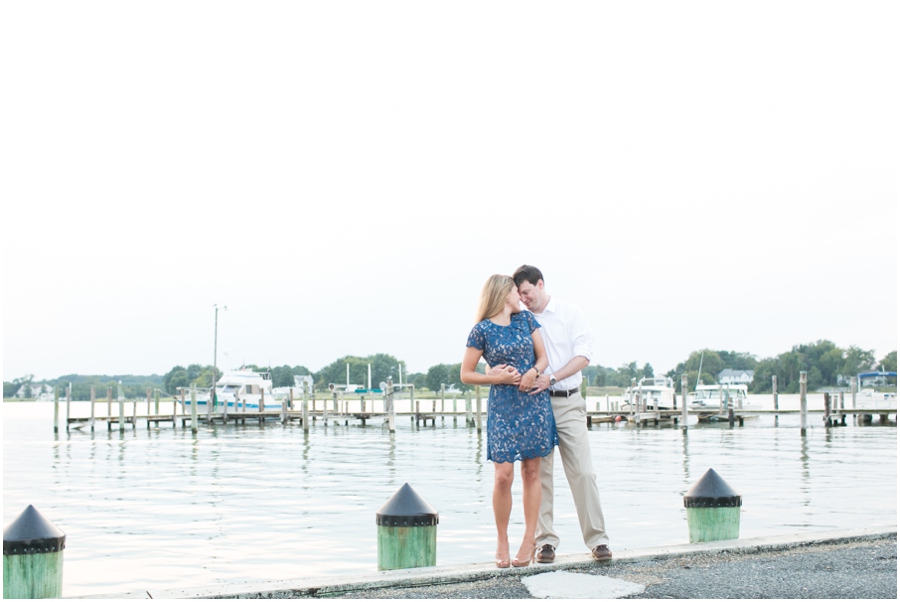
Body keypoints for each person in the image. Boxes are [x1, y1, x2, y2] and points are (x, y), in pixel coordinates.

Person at [511, 264, 612, 563]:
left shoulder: (570, 313)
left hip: (567, 399)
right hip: (535, 403)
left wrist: (551, 377)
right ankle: (545, 542)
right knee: (540, 473)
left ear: (540, 285)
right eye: (519, 295)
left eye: (527, 292)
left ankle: (598, 540)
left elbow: (584, 355)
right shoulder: (520, 320)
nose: (524, 299)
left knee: (582, 471)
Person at [460, 274, 557, 569]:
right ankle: (502, 539)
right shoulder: (482, 330)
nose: (521, 297)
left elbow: (543, 359)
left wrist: (532, 372)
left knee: (531, 472)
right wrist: (497, 377)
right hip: (503, 407)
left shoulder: (526, 321)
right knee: (503, 475)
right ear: (504, 295)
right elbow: (466, 373)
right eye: (517, 291)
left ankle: (530, 539)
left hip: (534, 404)